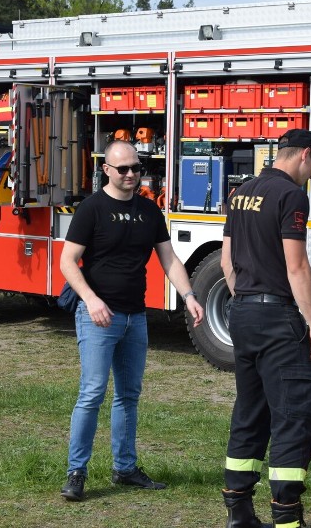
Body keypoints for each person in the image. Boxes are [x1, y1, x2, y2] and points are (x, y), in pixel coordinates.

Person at [59, 140, 204, 502]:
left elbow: (169, 259)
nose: (130, 175)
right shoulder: (91, 209)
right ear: (106, 170)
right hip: (98, 318)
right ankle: (76, 472)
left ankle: (125, 468)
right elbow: (67, 261)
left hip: (135, 318)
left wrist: (189, 296)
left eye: (135, 168)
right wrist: (91, 300)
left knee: (129, 395)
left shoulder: (149, 211)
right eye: (122, 169)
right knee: (92, 393)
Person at [220, 129, 311, 528]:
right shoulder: (290, 196)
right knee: (293, 415)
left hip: (243, 314)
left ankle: (239, 511)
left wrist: (245, 300)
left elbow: (227, 261)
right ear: (304, 154)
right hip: (277, 318)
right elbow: (296, 266)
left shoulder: (242, 191)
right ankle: (286, 518)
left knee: (250, 410)